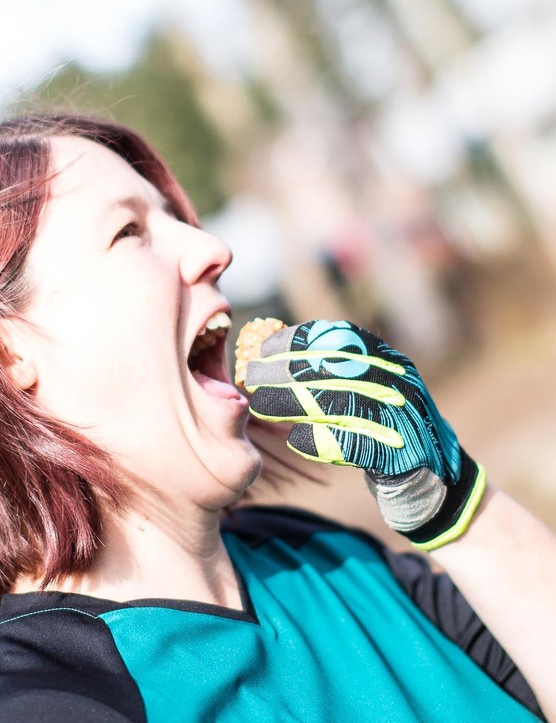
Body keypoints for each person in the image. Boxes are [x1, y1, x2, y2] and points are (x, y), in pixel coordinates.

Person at [0, 113, 552, 723]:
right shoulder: (43, 700)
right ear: (10, 355)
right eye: (129, 231)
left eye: (176, 218)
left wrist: (452, 507)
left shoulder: (330, 558)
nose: (213, 248)